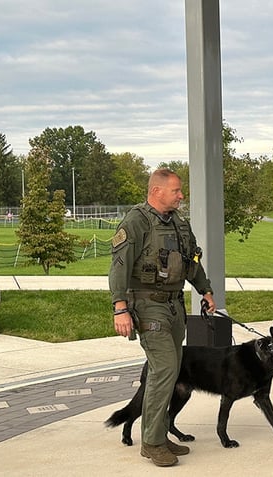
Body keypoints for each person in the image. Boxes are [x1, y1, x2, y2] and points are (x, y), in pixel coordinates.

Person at [109, 168, 217, 467]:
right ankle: (153, 442)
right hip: (147, 305)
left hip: (174, 305)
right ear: (156, 191)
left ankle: (158, 433)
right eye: (176, 191)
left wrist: (205, 290)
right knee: (165, 368)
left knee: (172, 369)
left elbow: (191, 262)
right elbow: (119, 266)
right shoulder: (136, 221)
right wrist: (120, 307)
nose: (182, 195)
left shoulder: (180, 224)